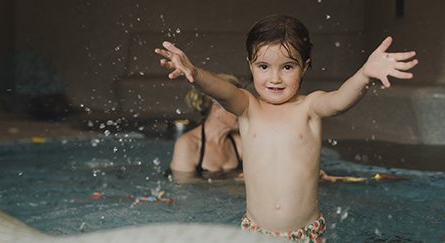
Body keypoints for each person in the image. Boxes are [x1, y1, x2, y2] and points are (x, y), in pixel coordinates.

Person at [154, 14, 417, 242]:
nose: (275, 78)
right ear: (251, 66)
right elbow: (222, 91)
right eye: (264, 67)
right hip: (256, 232)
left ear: (305, 68)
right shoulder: (248, 107)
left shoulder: (310, 107)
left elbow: (339, 100)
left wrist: (364, 75)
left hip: (305, 234)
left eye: (288, 67)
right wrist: (194, 73)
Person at [169, 73, 244, 183]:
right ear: (217, 110)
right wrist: (232, 182)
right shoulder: (188, 144)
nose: (243, 111)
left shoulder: (238, 142)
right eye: (237, 106)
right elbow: (184, 187)